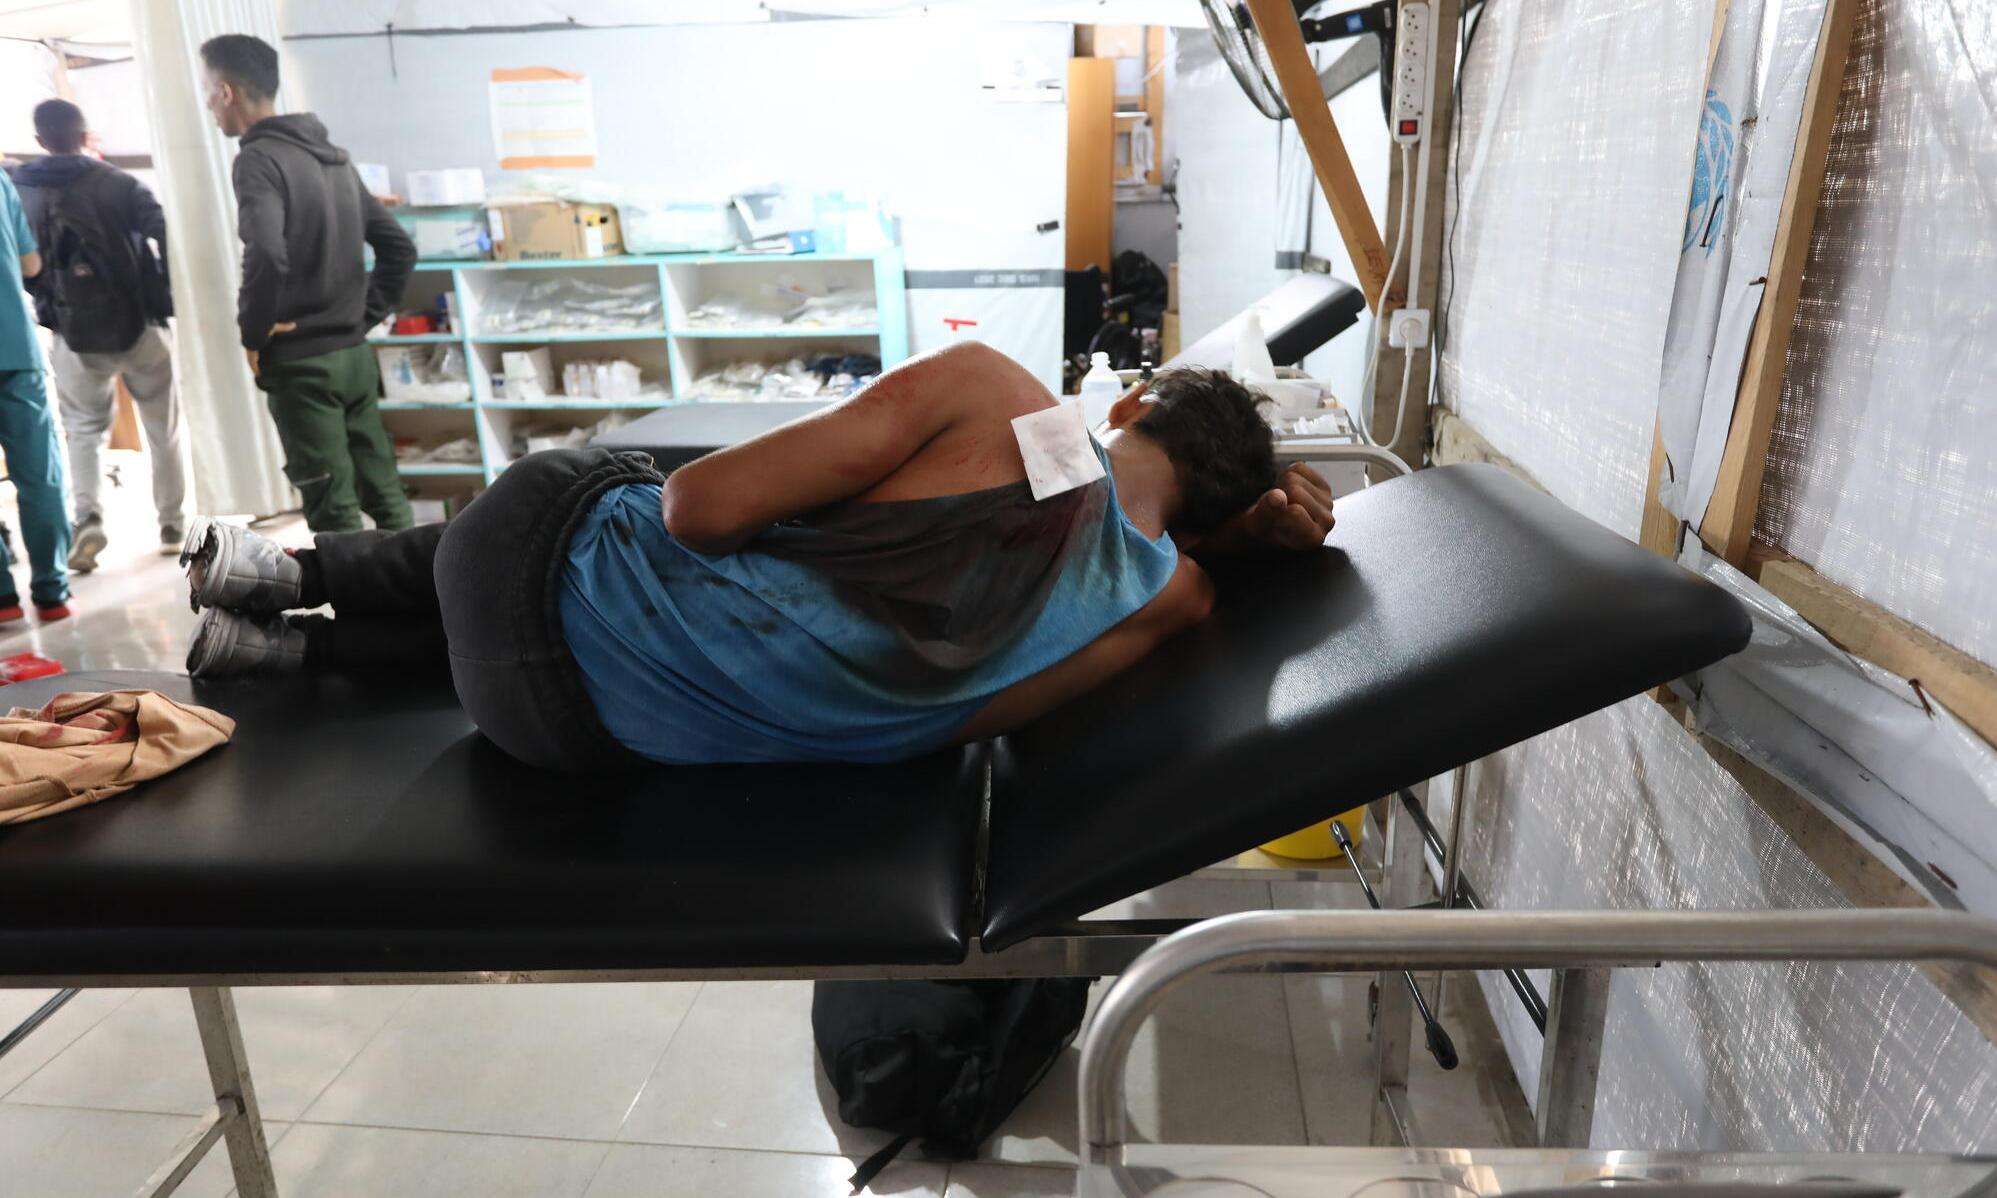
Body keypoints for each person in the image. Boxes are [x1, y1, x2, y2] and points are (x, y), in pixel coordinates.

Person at [180, 343, 1337, 772]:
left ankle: (291, 573)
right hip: (558, 733)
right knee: (618, 629)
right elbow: (971, 720)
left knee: (611, 507)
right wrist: (1238, 539)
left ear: (1128, 399)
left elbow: (694, 509)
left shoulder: (994, 392)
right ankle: (273, 652)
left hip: (506, 565)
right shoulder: (1169, 601)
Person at [199, 33, 416, 533]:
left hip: (302, 363)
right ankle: (424, 604)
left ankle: (358, 611)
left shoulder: (258, 159)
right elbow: (399, 249)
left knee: (330, 502)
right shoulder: (332, 156)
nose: (209, 104)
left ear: (227, 91)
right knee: (383, 491)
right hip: (354, 356)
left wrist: (253, 334)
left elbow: (267, 254)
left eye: (209, 91)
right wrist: (360, 316)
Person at [14, 98, 186, 569]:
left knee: (83, 430)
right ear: (86, 135)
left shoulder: (19, 187)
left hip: (71, 331)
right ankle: (171, 523)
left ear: (40, 141)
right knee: (162, 427)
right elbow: (164, 230)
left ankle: (88, 517)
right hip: (140, 328)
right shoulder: (120, 184)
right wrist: (167, 295)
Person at [0, 164, 72, 624]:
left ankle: (3, 601)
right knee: (39, 475)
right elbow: (31, 264)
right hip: (14, 346)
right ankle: (52, 593)